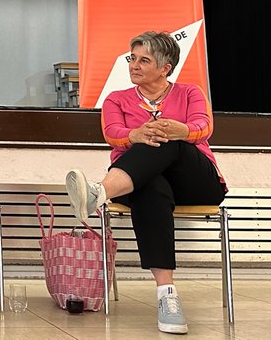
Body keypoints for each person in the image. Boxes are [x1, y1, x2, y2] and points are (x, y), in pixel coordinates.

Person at [65, 31, 227, 335]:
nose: (134, 65)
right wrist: (133, 136)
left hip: (195, 182)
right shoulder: (117, 99)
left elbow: (204, 127)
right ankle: (168, 295)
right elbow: (112, 132)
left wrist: (181, 131)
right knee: (150, 186)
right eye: (132, 58)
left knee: (169, 139)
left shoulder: (190, 92)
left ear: (165, 68)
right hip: (139, 183)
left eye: (143, 60)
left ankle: (98, 192)